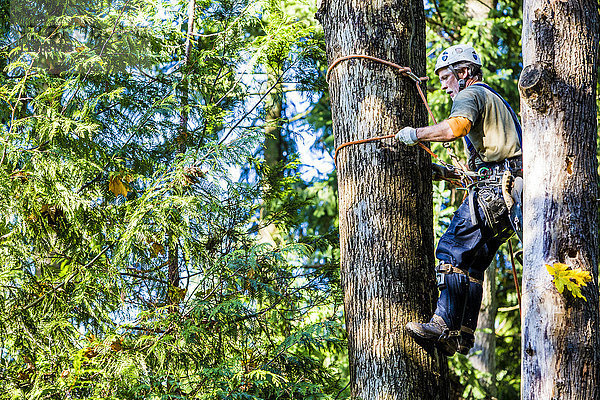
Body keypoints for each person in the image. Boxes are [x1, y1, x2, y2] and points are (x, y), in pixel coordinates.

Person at [395, 44, 522, 356]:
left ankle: (442, 325)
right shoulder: (494, 101)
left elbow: (456, 127)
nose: (443, 84)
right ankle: (461, 335)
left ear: (463, 73)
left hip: (497, 188)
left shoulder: (471, 94)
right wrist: (446, 173)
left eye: (446, 77)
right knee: (472, 263)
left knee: (452, 250)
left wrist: (416, 134)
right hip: (512, 193)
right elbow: (490, 160)